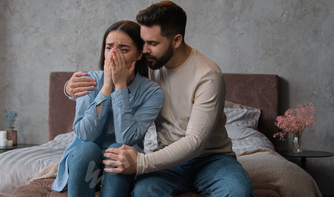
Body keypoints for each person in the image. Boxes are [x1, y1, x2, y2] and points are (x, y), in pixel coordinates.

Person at [65, 1, 256, 196]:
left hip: (211, 158)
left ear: (176, 40)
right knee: (142, 193)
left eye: (153, 43)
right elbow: (113, 74)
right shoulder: (151, 63)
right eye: (143, 42)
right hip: (166, 157)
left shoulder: (207, 75)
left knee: (239, 192)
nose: (145, 49)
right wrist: (69, 89)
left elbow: (195, 141)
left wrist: (141, 163)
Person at [52, 20, 165, 197]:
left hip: (121, 166)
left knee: (119, 148)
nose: (113, 55)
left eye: (124, 49)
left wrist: (120, 87)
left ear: (139, 54)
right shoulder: (89, 80)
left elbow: (126, 138)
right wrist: (106, 88)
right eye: (109, 47)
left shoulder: (152, 92)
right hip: (85, 163)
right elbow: (86, 135)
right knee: (87, 148)